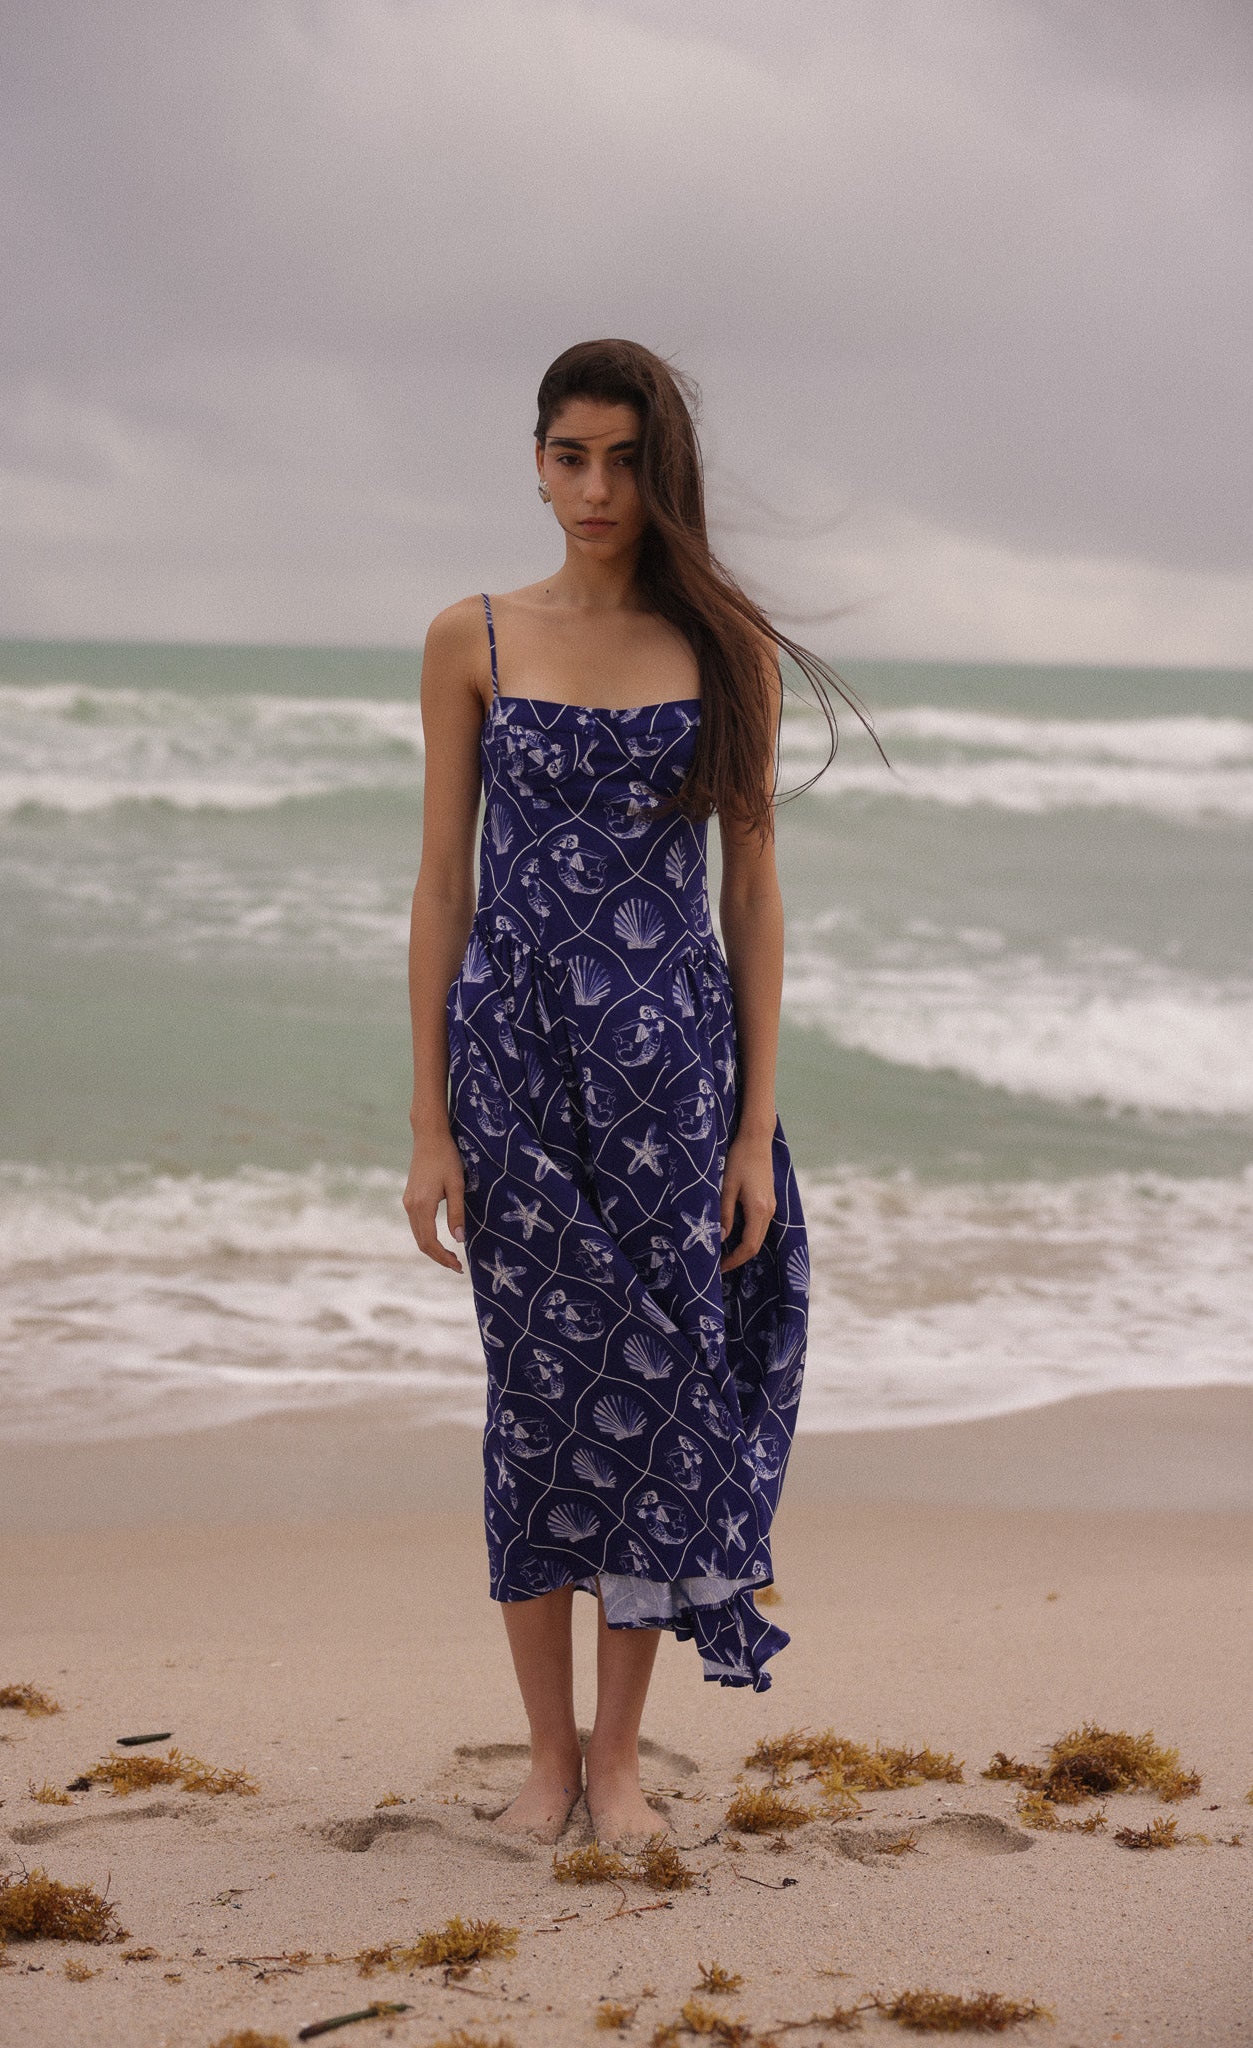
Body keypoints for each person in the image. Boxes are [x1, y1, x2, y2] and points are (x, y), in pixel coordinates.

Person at [404, 339, 874, 1849]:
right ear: (537, 463)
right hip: (513, 1073)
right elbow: (440, 887)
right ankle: (545, 1761)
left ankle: (617, 1762)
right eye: (569, 457)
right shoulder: (471, 638)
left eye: (621, 460)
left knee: (664, 1400)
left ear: (659, 469)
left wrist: (753, 1131)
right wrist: (427, 1122)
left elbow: (753, 893)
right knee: (537, 1403)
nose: (594, 488)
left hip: (673, 1079)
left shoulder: (722, 653)